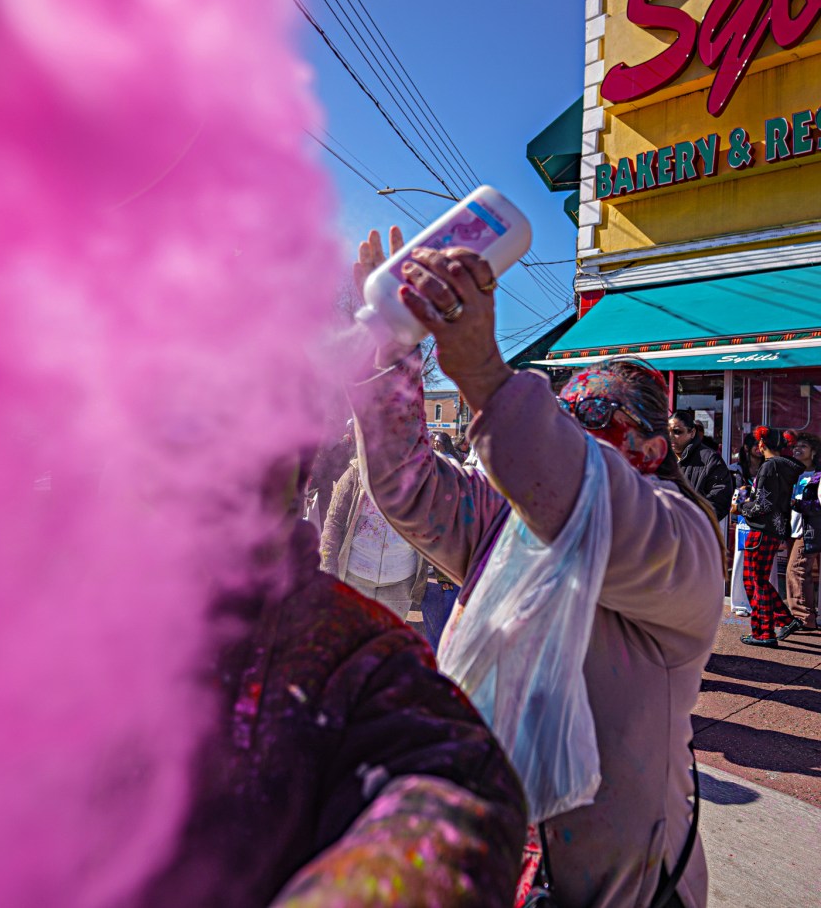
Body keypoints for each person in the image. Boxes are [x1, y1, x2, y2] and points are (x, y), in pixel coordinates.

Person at [346, 234, 723, 908]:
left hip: (614, 884)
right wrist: (393, 355)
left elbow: (584, 497)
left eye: (599, 417)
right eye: (568, 413)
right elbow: (409, 485)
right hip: (491, 856)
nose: (576, 427)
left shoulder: (678, 535)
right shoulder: (511, 519)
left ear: (655, 447)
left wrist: (488, 377)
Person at [141, 457, 527, 907]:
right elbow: (337, 527)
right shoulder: (70, 617)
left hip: (390, 583)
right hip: (359, 571)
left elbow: (455, 783)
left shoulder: (353, 649)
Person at [321, 459, 422, 619]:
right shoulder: (356, 471)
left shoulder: (424, 474)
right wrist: (328, 572)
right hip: (354, 578)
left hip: (400, 582)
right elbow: (334, 523)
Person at [735, 426, 805, 648]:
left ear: (762, 444)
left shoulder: (769, 466)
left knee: (757, 582)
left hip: (761, 529)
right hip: (772, 530)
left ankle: (764, 632)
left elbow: (762, 505)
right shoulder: (784, 467)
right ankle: (784, 620)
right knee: (755, 580)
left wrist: (742, 506)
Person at [781, 432, 821, 638]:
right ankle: (807, 616)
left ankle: (803, 618)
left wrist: (798, 504)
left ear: (813, 452)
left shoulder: (818, 475)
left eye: (803, 446)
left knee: (796, 570)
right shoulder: (793, 473)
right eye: (795, 446)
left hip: (810, 530)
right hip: (795, 529)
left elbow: (818, 505)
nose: (797, 449)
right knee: (798, 570)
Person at [669, 409, 734, 521]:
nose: (671, 436)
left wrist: (692, 520)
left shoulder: (709, 459)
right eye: (667, 431)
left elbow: (719, 501)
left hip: (693, 532)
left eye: (677, 432)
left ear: (692, 433)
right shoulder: (661, 457)